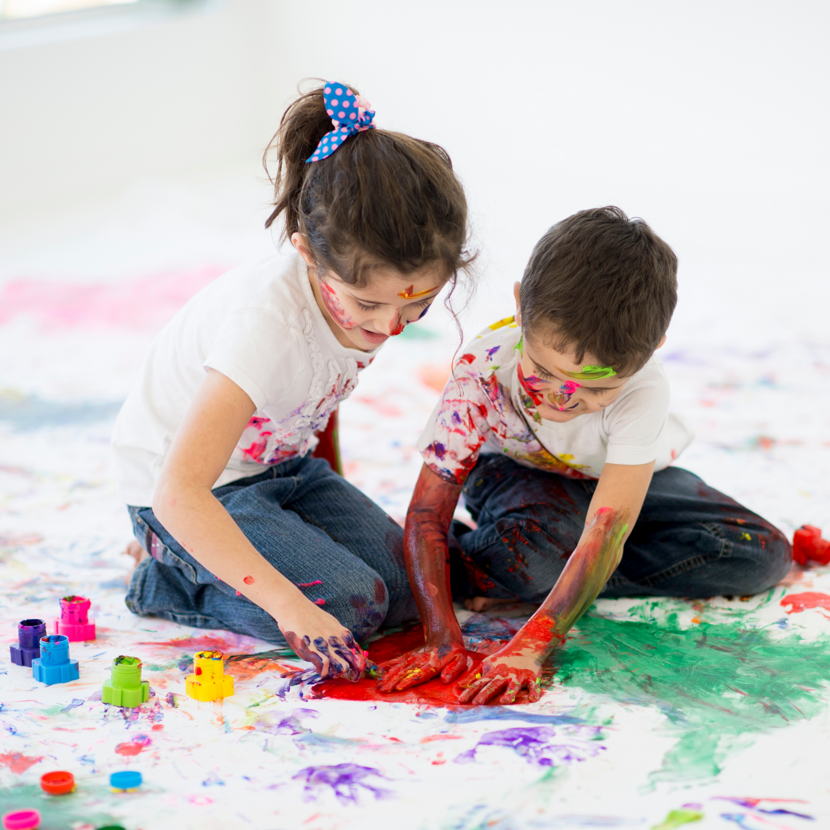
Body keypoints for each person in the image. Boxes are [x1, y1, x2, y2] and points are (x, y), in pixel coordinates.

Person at [111, 80, 473, 681]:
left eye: (418, 307)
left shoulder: (366, 305)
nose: (391, 327)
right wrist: (289, 604)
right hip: (188, 497)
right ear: (307, 252)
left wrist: (330, 506)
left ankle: (217, 561)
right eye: (367, 305)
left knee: (417, 584)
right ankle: (165, 576)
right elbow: (180, 491)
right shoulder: (264, 326)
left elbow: (317, 394)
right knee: (351, 607)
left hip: (284, 469)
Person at [378, 206, 791, 704]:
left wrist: (535, 640)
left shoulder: (643, 386)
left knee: (759, 553)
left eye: (595, 389)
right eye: (544, 373)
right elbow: (426, 513)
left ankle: (548, 572)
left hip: (613, 480)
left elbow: (608, 526)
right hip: (514, 470)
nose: (563, 399)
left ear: (653, 349)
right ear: (519, 308)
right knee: (545, 555)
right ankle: (515, 563)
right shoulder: (482, 369)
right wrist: (442, 637)